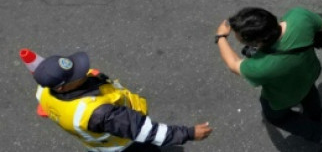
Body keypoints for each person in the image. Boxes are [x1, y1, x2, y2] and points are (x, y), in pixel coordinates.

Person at [215, 7, 322, 152]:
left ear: (256, 42)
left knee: (277, 117)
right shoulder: (299, 16)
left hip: (284, 96)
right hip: (308, 73)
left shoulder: (260, 67)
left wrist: (220, 37)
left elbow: (233, 65)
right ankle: (315, 118)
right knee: (309, 93)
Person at [30, 51, 212, 150]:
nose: (84, 71)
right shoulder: (99, 113)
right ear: (61, 87)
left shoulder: (43, 91)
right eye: (77, 74)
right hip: (125, 146)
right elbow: (146, 131)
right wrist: (189, 133)